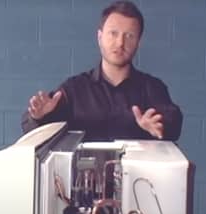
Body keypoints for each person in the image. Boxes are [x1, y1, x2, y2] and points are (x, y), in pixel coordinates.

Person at [21, 0, 182, 142]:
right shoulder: (74, 89)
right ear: (100, 37)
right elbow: (35, 133)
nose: (120, 43)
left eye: (129, 36)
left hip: (139, 177)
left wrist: (160, 125)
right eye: (113, 33)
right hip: (83, 176)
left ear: (138, 43)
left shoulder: (152, 88)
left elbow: (173, 122)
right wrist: (39, 117)